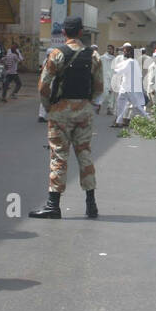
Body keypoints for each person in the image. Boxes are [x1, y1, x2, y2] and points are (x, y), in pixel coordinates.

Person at [29, 16, 102, 219]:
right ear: (81, 32)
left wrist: (48, 107)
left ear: (64, 33)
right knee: (85, 154)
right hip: (84, 111)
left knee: (59, 156)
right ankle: (91, 204)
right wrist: (88, 103)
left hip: (60, 111)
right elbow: (99, 87)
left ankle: (54, 205)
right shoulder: (94, 56)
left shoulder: (56, 54)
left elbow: (43, 86)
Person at [112, 43, 146, 126]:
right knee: (122, 105)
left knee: (136, 106)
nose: (123, 52)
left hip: (128, 88)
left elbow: (118, 70)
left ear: (129, 52)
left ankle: (149, 120)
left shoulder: (130, 62)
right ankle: (119, 121)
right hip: (127, 87)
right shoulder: (133, 61)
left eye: (125, 51)